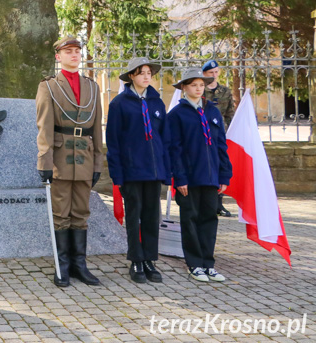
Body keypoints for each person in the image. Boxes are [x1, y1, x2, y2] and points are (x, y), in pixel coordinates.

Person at [36, 36, 103, 287]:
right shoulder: (49, 87)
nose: (74, 55)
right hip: (61, 159)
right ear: (58, 56)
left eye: (77, 51)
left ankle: (80, 266)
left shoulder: (92, 87)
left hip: (84, 158)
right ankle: (62, 266)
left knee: (81, 213)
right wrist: (45, 162)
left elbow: (96, 128)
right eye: (68, 52)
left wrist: (98, 163)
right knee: (61, 214)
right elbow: (44, 128)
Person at [106, 57, 171, 283]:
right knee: (134, 217)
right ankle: (136, 260)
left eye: (149, 73)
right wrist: (118, 175)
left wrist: (167, 170)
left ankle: (149, 259)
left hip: (154, 172)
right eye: (141, 72)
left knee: (152, 217)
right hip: (132, 172)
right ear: (132, 75)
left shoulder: (157, 103)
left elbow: (165, 139)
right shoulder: (119, 104)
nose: (146, 76)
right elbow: (113, 143)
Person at [167, 68, 233, 283]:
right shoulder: (177, 115)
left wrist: (224, 175)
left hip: (211, 176)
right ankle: (194, 264)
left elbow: (221, 145)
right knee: (190, 219)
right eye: (193, 85)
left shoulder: (212, 111)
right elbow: (174, 150)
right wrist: (181, 178)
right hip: (190, 178)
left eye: (201, 85)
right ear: (184, 88)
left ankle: (208, 263)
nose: (198, 88)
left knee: (209, 219)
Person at [202, 59, 236, 217]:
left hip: (220, 135)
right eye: (210, 73)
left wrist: (229, 132)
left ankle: (219, 204)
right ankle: (206, 201)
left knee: (220, 167)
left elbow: (230, 114)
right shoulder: (200, 91)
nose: (214, 76)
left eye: (216, 72)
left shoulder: (225, 91)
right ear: (204, 74)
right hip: (203, 135)